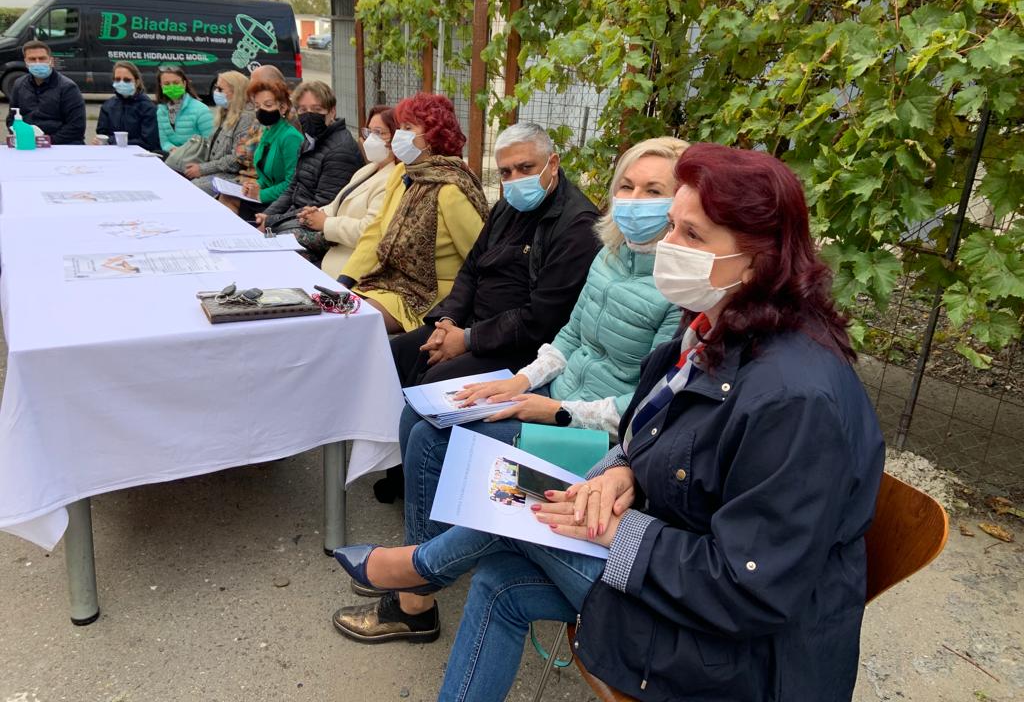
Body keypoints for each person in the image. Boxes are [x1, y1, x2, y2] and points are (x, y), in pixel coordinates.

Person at [331, 143, 886, 701]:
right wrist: (622, 470)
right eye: (672, 225)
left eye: (692, 235)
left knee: (519, 501)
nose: (667, 244)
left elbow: (748, 588)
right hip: (680, 561)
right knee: (501, 576)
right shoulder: (711, 329)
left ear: (760, 258)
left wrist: (617, 529)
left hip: (738, 654)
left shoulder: (794, 398)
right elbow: (658, 427)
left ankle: (422, 568)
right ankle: (423, 571)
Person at [332, 136, 688, 643]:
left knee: (435, 438)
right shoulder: (610, 253)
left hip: (598, 436)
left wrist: (555, 409)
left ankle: (415, 595)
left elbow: (649, 406)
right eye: (626, 186)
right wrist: (519, 381)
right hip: (548, 392)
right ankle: (426, 557)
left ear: (681, 203)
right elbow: (567, 335)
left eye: (653, 190)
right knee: (423, 412)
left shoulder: (677, 285)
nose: (634, 202)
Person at [388, 122, 601, 388]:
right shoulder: (507, 207)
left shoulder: (577, 226)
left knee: (435, 382)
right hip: (471, 324)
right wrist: (447, 322)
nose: (515, 179)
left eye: (526, 168)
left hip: (522, 345)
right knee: (398, 353)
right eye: (506, 172)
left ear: (553, 164)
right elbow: (470, 269)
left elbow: (543, 318)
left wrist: (468, 339)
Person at [337, 93, 490, 334]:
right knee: (335, 313)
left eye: (408, 128)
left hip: (432, 295)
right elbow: (376, 232)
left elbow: (477, 256)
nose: (399, 135)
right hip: (391, 283)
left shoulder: (450, 188)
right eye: (400, 127)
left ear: (432, 135)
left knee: (352, 324)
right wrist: (346, 279)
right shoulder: (402, 173)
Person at [253, 81, 364, 235]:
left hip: (318, 227)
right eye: (303, 110)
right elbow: (293, 187)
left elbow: (322, 205)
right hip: (296, 216)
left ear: (332, 112)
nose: (309, 115)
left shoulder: (340, 150)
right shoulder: (310, 140)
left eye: (317, 109)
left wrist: (272, 221)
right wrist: (267, 215)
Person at [297, 104, 397, 275]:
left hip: (353, 267)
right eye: (369, 132)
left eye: (379, 133)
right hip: (335, 254)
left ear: (396, 137)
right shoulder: (368, 169)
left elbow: (370, 230)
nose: (371, 139)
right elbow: (338, 203)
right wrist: (315, 213)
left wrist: (325, 223)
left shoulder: (393, 179)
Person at [223, 78, 303, 221]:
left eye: (268, 105)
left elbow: (292, 184)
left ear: (283, 108)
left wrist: (260, 194)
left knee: (227, 201)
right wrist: (254, 186)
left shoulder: (290, 137)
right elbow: (265, 176)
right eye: (257, 106)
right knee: (225, 197)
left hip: (281, 203)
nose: (261, 110)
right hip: (268, 196)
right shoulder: (268, 130)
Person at [184, 70, 255, 194]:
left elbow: (236, 160)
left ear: (236, 92)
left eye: (220, 89)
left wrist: (203, 169)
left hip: (233, 176)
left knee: (193, 188)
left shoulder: (246, 118)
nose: (216, 92)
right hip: (218, 170)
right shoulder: (225, 111)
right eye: (216, 88)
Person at [4, 40, 85, 145]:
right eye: (32, 59)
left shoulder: (68, 87)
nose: (37, 62)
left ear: (51, 61)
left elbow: (76, 127)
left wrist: (45, 141)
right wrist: (21, 134)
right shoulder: (19, 85)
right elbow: (11, 119)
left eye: (42, 58)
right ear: (26, 62)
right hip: (27, 142)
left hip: (60, 144)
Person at [93, 62, 159, 153]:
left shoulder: (148, 107)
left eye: (127, 80)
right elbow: (102, 135)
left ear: (137, 82)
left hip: (138, 155)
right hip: (111, 153)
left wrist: (113, 141)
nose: (121, 83)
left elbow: (148, 142)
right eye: (117, 79)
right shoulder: (107, 106)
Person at [155, 65, 213, 154]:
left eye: (176, 83)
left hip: (195, 157)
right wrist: (173, 150)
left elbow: (209, 143)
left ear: (184, 84)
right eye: (166, 84)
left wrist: (183, 153)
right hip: (173, 156)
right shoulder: (161, 111)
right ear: (161, 86)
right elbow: (164, 142)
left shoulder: (201, 110)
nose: (172, 86)